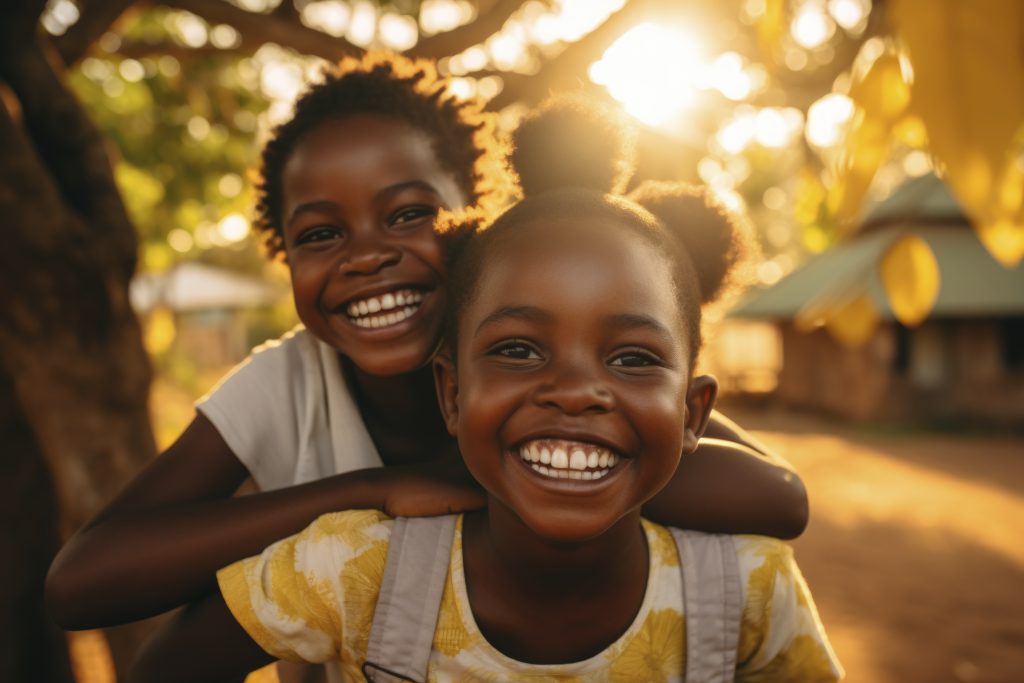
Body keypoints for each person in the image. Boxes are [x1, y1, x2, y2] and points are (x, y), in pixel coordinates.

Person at [45, 57, 806, 675]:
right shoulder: (290, 384)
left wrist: (488, 469)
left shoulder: (568, 375)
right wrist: (369, 491)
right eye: (319, 234)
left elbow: (781, 499)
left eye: (410, 214)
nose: (367, 254)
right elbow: (81, 584)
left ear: (481, 219)